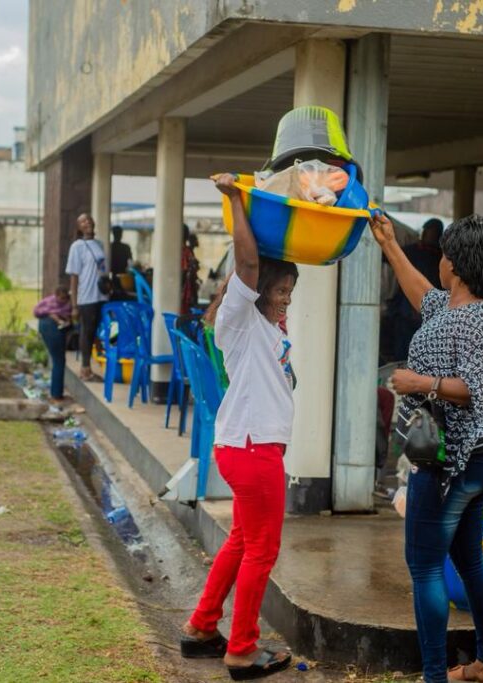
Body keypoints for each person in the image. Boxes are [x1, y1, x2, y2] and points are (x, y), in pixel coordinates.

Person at [372, 211, 483, 683]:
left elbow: (476, 388)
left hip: (454, 461)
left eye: (447, 253)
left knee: (426, 567)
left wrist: (419, 382)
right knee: (469, 559)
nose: (440, 260)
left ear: (459, 265)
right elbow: (423, 295)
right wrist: (389, 244)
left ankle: (435, 676)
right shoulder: (461, 308)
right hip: (480, 455)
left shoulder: (474, 321)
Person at [180, 173, 297, 680]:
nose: (286, 298)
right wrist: (235, 201)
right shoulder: (240, 314)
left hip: (250, 446)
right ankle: (242, 650)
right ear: (258, 287)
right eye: (280, 290)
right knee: (262, 550)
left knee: (242, 542)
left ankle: (202, 627)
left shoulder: (267, 324)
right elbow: (247, 263)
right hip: (253, 448)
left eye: (290, 290)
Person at [388, 219, 445, 360]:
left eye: (434, 233)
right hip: (406, 313)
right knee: (403, 355)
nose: (430, 236)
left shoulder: (441, 258)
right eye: (429, 232)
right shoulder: (411, 251)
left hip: (429, 316)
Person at [65, 213, 108, 381]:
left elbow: (102, 269)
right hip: (86, 297)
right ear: (79, 227)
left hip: (101, 296)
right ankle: (85, 369)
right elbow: (74, 277)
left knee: (96, 331)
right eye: (82, 221)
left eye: (89, 219)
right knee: (87, 332)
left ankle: (92, 366)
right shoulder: (77, 247)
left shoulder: (99, 244)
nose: (87, 222)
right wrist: (74, 305)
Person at [33, 285, 72, 403]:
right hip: (52, 327)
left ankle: (56, 392)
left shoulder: (65, 304)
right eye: (61, 298)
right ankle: (56, 394)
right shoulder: (51, 303)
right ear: (56, 296)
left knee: (57, 360)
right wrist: (55, 315)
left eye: (65, 298)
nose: (63, 301)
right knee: (59, 360)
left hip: (47, 326)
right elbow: (37, 311)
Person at [181, 223, 201, 315]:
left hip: (185, 293)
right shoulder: (187, 252)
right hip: (188, 292)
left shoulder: (183, 252)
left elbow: (184, 272)